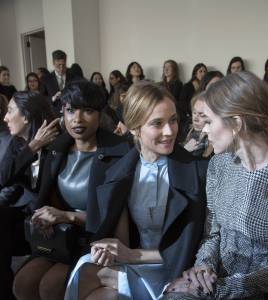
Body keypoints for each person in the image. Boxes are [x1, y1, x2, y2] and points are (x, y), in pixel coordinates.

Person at [162, 71, 268, 300]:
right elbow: (212, 235)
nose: (204, 131)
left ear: (236, 123)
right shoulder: (219, 165)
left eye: (209, 121)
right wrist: (203, 269)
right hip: (213, 283)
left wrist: (217, 290)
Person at [64, 81, 207, 300]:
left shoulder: (197, 172)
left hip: (175, 268)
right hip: (137, 261)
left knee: (94, 285)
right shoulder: (121, 172)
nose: (169, 131)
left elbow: (185, 250)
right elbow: (121, 242)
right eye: (157, 123)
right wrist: (108, 250)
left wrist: (130, 255)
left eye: (173, 120)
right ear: (134, 128)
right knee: (87, 271)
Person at [12, 81, 130, 300]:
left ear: (99, 114)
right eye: (70, 110)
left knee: (50, 287)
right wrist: (43, 218)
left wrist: (66, 217)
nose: (77, 119)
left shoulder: (120, 152)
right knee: (22, 284)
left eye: (87, 110)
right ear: (62, 113)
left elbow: (113, 218)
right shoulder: (57, 149)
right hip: (60, 239)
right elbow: (44, 197)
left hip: (97, 240)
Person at [0, 91, 59, 300]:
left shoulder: (56, 143)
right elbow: (3, 178)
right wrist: (33, 146)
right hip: (26, 216)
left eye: (10, 111)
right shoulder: (18, 142)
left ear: (26, 117)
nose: (5, 117)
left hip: (50, 217)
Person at [180, 92, 213, 159]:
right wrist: (185, 150)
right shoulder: (187, 130)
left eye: (202, 115)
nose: (195, 119)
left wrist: (185, 152)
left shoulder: (220, 142)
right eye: (194, 113)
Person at [41, 49, 74, 116]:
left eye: (63, 65)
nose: (61, 68)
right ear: (53, 63)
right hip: (53, 115)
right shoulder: (46, 79)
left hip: (71, 113)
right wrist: (53, 98)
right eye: (58, 65)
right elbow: (42, 98)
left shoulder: (74, 77)